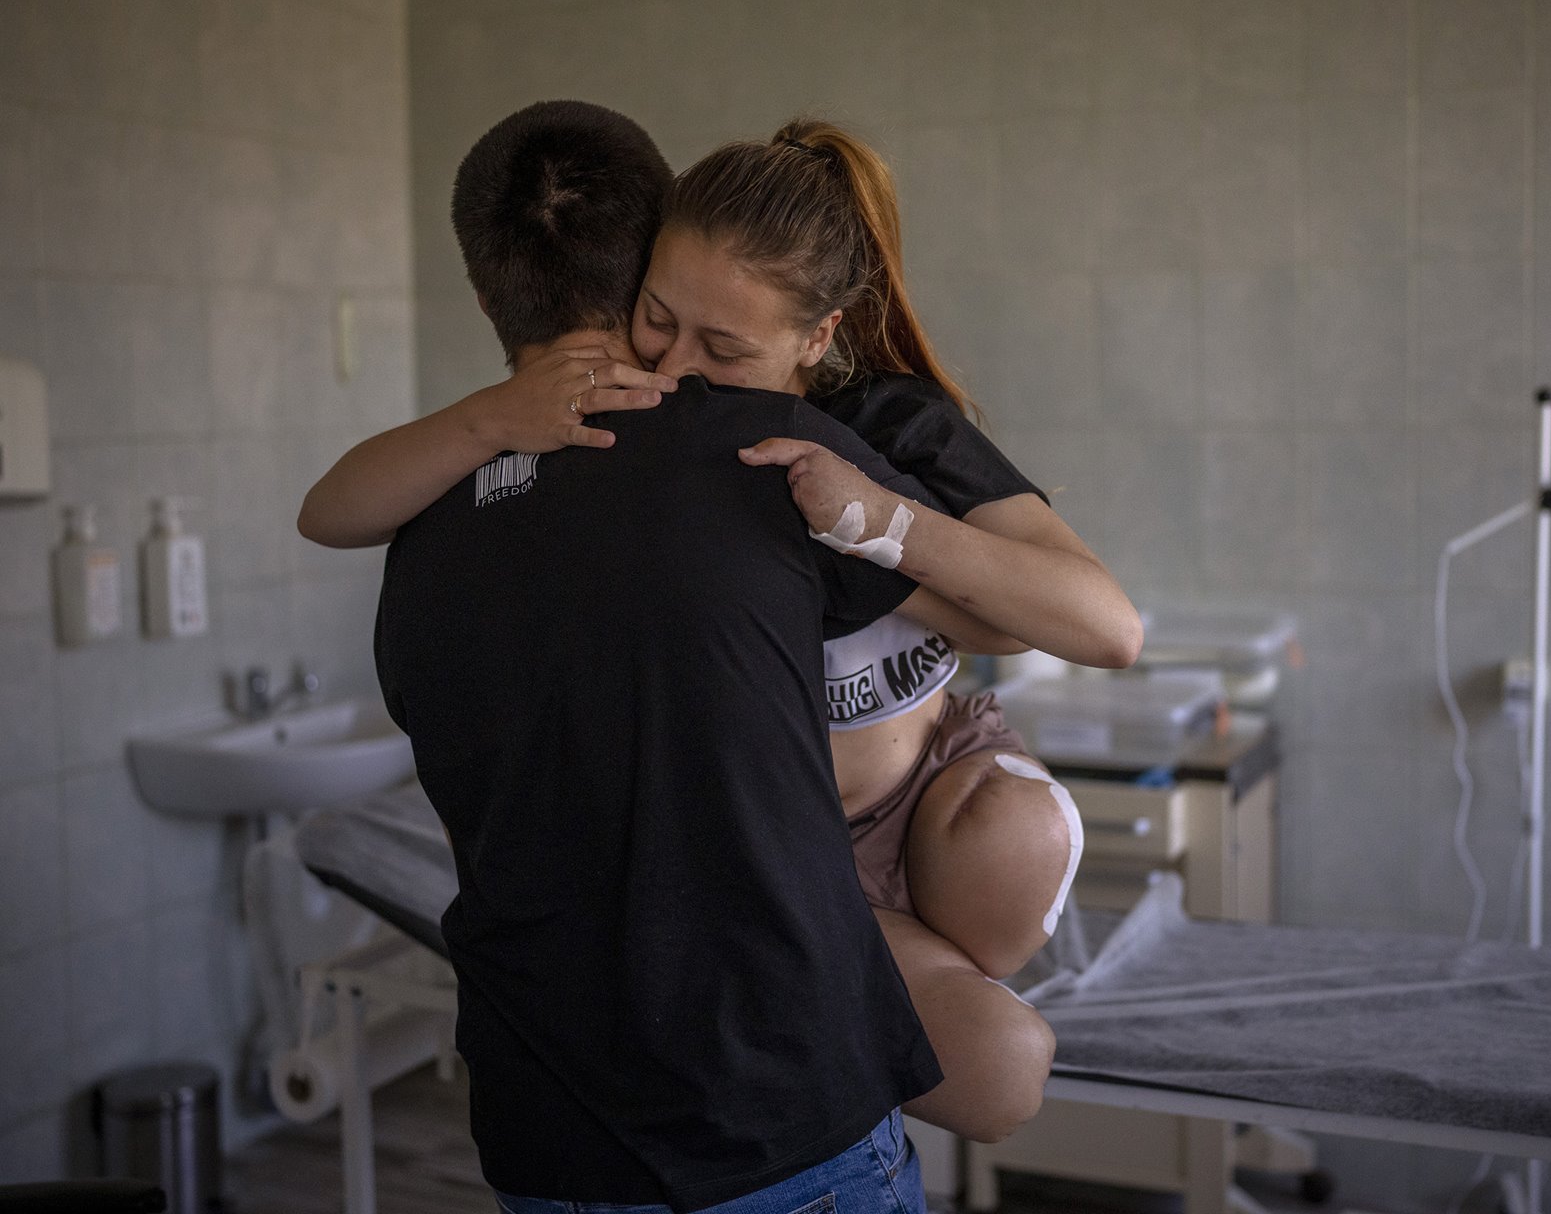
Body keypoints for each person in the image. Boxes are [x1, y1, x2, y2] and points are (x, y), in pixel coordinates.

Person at [301, 112, 1144, 1143]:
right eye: (659, 317)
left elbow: (1079, 625)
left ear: (817, 335)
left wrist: (880, 525)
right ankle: (882, 980)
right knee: (995, 1069)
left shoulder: (876, 429)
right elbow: (330, 512)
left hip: (919, 795)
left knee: (1010, 857)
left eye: (726, 345)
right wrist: (493, 417)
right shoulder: (622, 430)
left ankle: (907, 974)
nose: (685, 365)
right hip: (785, 861)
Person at [359, 100, 940, 1214]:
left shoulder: (416, 530)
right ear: (650, 264)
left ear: (485, 291)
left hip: (547, 1134)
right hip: (779, 1116)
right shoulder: (769, 457)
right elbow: (1024, 610)